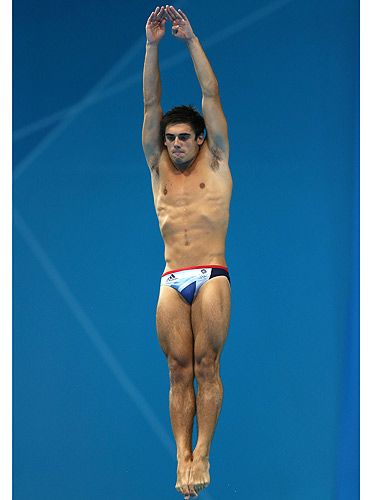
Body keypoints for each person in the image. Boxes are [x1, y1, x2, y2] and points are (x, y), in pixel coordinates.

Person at [142, 5, 232, 499]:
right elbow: (150, 105)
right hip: (172, 277)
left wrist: (190, 39)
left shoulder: (215, 158)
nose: (175, 144)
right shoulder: (157, 164)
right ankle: (182, 455)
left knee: (207, 366)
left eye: (183, 138)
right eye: (170, 138)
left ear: (199, 139)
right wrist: (152, 46)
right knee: (177, 369)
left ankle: (204, 453)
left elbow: (210, 93)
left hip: (213, 272)